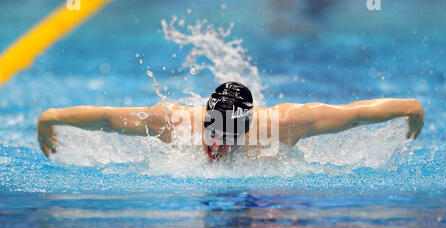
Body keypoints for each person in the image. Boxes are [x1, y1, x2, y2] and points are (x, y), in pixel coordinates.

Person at [37, 81, 424, 160]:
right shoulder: (175, 122)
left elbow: (356, 114)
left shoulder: (284, 124)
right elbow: (106, 118)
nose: (216, 146)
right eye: (212, 133)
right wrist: (49, 117)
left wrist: (411, 108)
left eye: (227, 137)